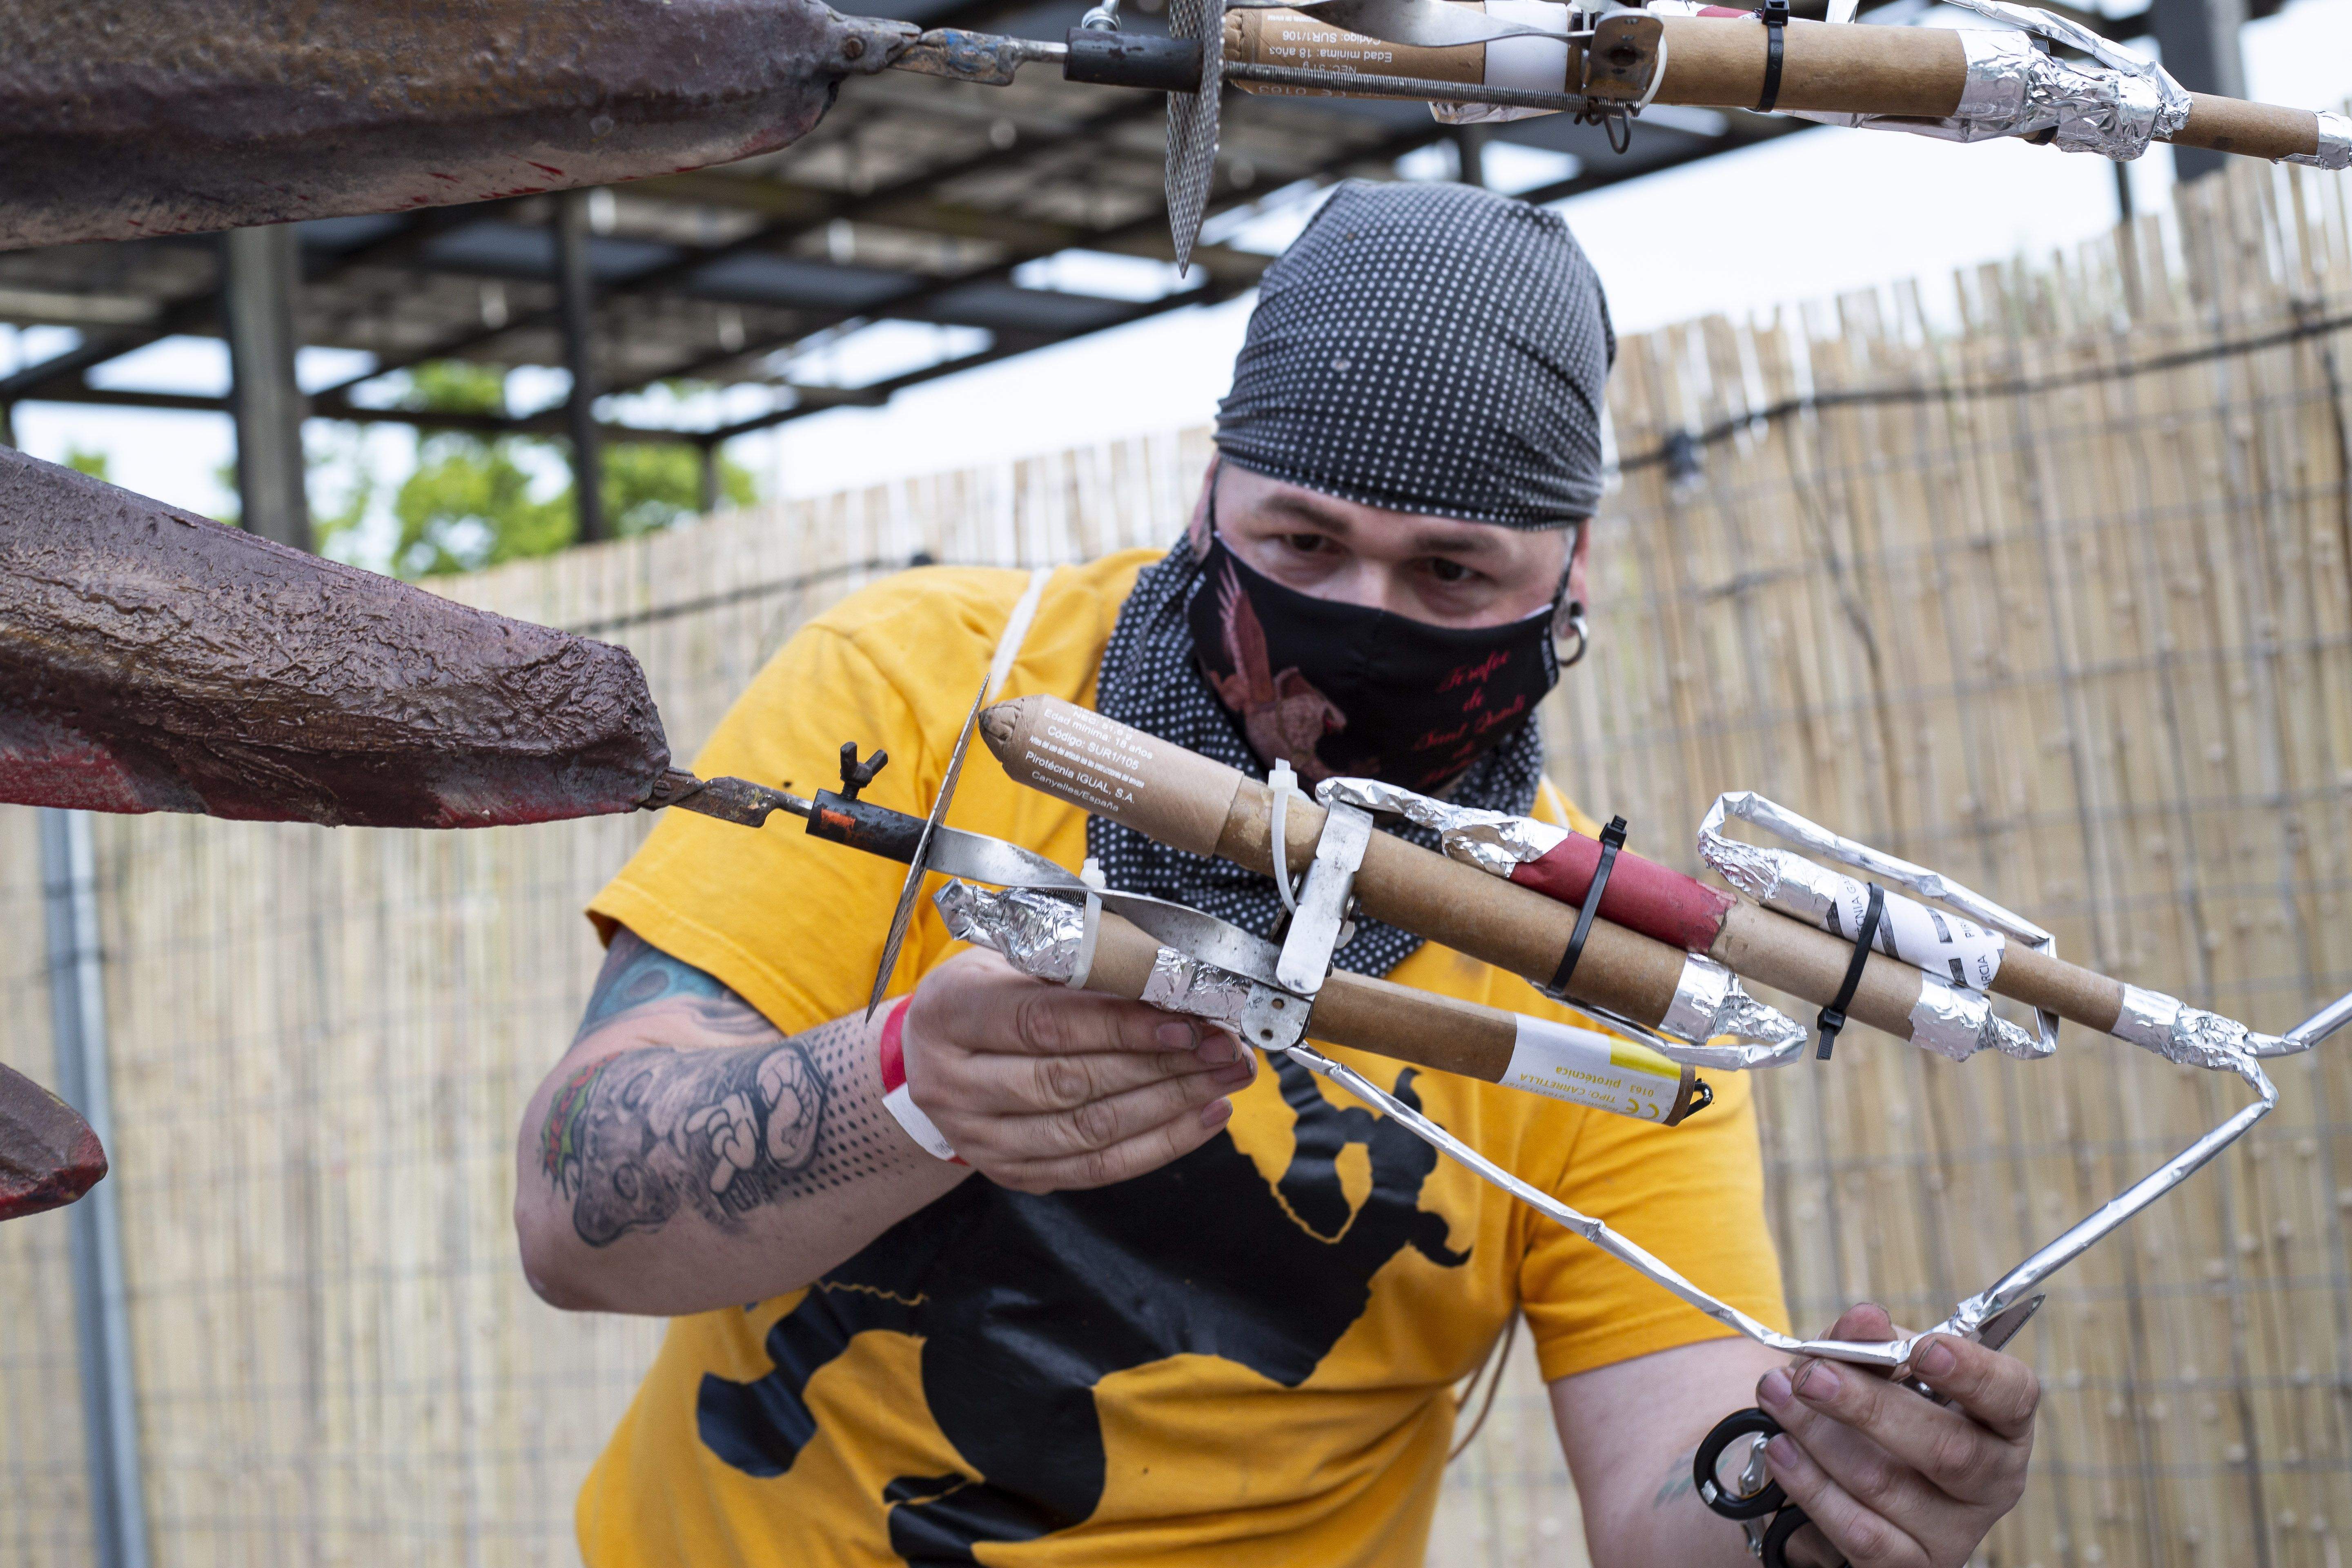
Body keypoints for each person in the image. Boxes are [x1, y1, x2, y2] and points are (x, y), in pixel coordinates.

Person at [513, 181, 2039, 1568]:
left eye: (1452, 573)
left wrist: (1825, 1507)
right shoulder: (929, 687)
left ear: (1571, 570)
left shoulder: (1615, 978)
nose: (1358, 624)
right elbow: (571, 1213)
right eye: (1302, 543)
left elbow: (1672, 1501)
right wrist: (903, 1087)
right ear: (1209, 499)